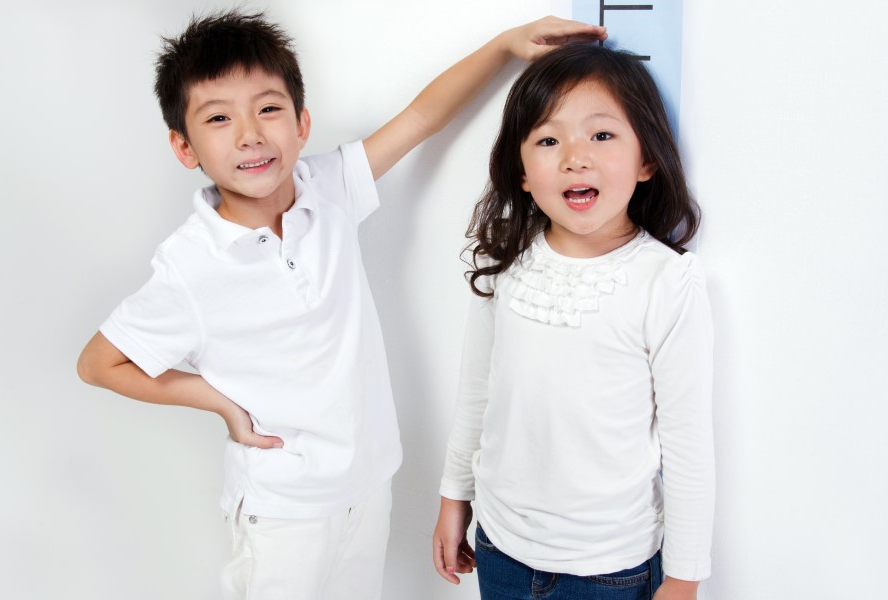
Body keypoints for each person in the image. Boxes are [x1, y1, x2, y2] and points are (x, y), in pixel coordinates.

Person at [75, 11, 606, 600]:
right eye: (219, 118)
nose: (249, 134)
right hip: (282, 511)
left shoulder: (327, 188)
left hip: (367, 485)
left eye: (268, 108)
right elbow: (99, 364)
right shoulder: (191, 265)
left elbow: (422, 117)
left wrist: (504, 46)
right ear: (184, 146)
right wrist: (218, 401)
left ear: (302, 123)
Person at [433, 43, 714, 600]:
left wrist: (684, 576)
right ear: (522, 173)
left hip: (611, 569)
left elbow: (687, 442)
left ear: (646, 160)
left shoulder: (665, 280)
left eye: (601, 135)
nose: (574, 158)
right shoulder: (506, 265)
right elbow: (476, 394)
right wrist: (452, 496)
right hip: (501, 548)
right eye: (548, 140)